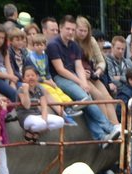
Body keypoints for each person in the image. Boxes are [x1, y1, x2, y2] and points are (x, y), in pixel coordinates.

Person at [48, 15, 120, 145]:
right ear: (61, 28)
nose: (70, 32)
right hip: (60, 78)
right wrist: (80, 82)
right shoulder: (53, 45)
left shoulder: (74, 45)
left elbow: (78, 66)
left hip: (75, 75)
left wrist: (83, 82)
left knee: (86, 104)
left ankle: (100, 137)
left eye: (72, 29)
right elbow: (60, 69)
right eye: (68, 29)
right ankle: (109, 126)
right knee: (85, 99)